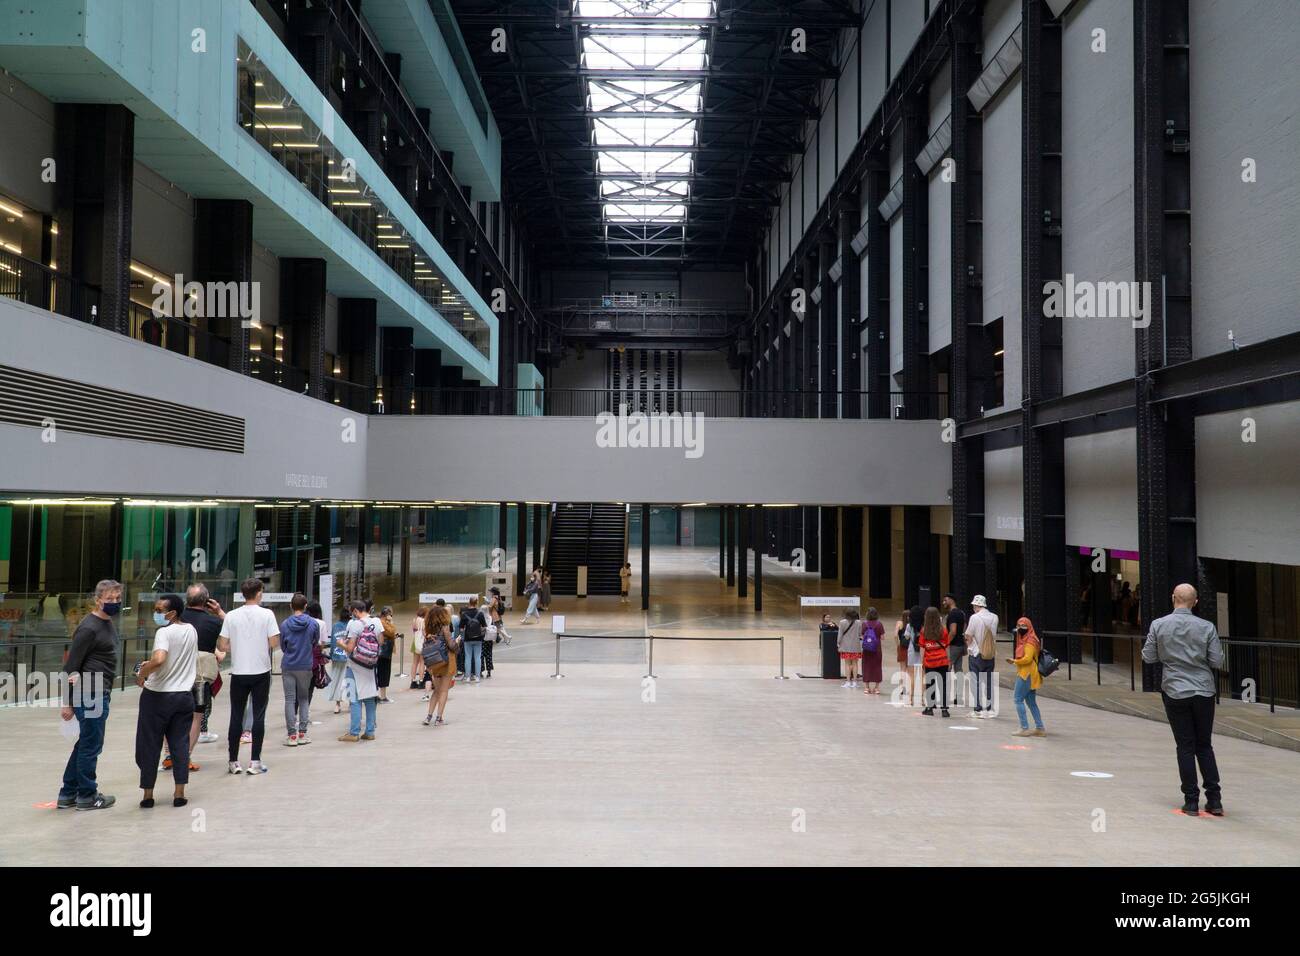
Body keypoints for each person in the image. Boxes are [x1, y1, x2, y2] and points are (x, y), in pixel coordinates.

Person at [1142, 584, 1223, 816]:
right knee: (1204, 744)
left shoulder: (1158, 625)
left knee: (1185, 746)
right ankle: (1214, 799)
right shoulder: (1207, 627)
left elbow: (1148, 657)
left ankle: (1190, 801)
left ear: (1173, 598)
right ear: (1195, 601)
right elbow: (1217, 661)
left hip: (1175, 689)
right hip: (1204, 691)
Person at [57, 579, 123, 811]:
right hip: (90, 692)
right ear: (97, 600)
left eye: (117, 598)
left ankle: (68, 793)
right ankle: (87, 795)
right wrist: (66, 702)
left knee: (85, 744)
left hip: (98, 691)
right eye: (110, 599)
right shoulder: (89, 627)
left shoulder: (107, 624)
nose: (114, 603)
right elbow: (70, 667)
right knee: (90, 746)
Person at [133, 594, 198, 808]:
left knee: (149, 744)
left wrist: (143, 672)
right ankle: (179, 793)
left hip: (157, 696)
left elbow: (160, 659)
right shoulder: (190, 630)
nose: (157, 613)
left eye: (160, 610)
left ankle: (148, 795)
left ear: (172, 613)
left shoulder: (164, 632)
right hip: (184, 695)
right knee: (179, 744)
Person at [218, 577, 280, 775]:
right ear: (259, 593)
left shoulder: (231, 616)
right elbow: (273, 643)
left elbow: (222, 645)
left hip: (239, 672)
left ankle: (233, 761)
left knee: (236, 715)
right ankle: (255, 762)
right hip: (261, 671)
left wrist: (237, 643)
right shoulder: (267, 614)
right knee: (259, 716)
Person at [181, 585, 224, 749]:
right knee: (196, 717)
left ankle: (169, 754)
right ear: (207, 601)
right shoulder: (214, 622)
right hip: (201, 678)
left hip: (176, 676)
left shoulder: (176, 619)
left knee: (172, 715)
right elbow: (226, 644)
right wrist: (219, 612)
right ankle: (186, 755)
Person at [279, 593, 320, 746]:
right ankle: (302, 733)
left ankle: (292, 736)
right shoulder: (313, 624)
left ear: (291, 606)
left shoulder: (284, 624)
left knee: (290, 699)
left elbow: (283, 646)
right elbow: (315, 642)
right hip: (305, 665)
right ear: (305, 607)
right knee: (303, 699)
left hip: (289, 665)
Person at [338, 600, 380, 742]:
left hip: (355, 665)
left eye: (352, 612)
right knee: (369, 698)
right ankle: (370, 731)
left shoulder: (355, 624)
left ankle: (354, 732)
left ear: (356, 611)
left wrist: (341, 644)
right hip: (370, 664)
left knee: (354, 699)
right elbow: (381, 642)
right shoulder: (377, 622)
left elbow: (350, 648)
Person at [1007, 617, 1046, 738]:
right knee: (1031, 702)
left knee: (1017, 699)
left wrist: (1014, 661)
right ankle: (1040, 728)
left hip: (1026, 674)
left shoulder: (1029, 641)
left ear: (1029, 627)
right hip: (1030, 673)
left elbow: (1027, 658)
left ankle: (1024, 728)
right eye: (1019, 626)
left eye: (1024, 626)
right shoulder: (1029, 638)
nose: (1021, 629)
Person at [422, 605, 457, 726]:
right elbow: (451, 645)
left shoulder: (428, 628)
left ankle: (428, 716)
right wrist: (457, 642)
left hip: (433, 661)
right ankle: (439, 718)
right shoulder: (445, 627)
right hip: (445, 660)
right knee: (444, 691)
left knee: (436, 690)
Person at [965, 594, 999, 718]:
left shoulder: (974, 618)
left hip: (977, 653)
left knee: (976, 681)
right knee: (989, 681)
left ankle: (978, 708)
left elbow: (968, 635)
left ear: (976, 605)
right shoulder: (995, 617)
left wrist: (969, 647)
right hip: (990, 654)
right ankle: (989, 708)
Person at [917, 606, 951, 717]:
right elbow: (946, 646)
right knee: (943, 685)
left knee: (930, 685)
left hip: (930, 661)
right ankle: (944, 710)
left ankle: (930, 708)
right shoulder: (944, 630)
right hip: (942, 661)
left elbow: (922, 647)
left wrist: (922, 661)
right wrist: (949, 660)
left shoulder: (924, 631)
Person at [941, 594, 967, 706]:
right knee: (959, 670)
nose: (943, 603)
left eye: (945, 600)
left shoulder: (952, 614)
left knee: (946, 669)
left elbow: (953, 631)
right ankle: (959, 696)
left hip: (953, 646)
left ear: (951, 600)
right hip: (961, 644)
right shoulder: (961, 613)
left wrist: (945, 643)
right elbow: (964, 626)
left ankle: (945, 696)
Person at [325, 610, 351, 714]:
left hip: (336, 657)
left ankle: (337, 704)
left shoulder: (335, 626)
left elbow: (332, 642)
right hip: (348, 657)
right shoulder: (351, 625)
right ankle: (350, 703)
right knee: (349, 680)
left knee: (336, 681)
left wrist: (331, 655)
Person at [459, 596, 487, 683]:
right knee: (477, 657)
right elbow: (484, 626)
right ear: (476, 603)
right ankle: (477, 677)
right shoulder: (480, 613)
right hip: (478, 638)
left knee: (468, 657)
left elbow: (461, 628)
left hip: (468, 638)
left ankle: (468, 677)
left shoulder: (464, 614)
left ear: (469, 602)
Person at [861, 607, 885, 695]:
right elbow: (882, 637)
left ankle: (867, 687)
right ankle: (877, 688)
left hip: (867, 649)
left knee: (866, 666)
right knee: (877, 667)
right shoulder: (879, 624)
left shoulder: (864, 624)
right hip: (877, 649)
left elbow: (862, 637)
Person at [837, 609, 863, 688]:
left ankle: (848, 681)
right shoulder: (859, 622)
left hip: (845, 646)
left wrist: (838, 643)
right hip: (856, 646)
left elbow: (840, 634)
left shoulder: (842, 622)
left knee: (847, 664)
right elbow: (860, 634)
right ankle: (855, 682)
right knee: (855, 664)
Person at [376, 606, 397, 702]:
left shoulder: (379, 621)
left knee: (381, 672)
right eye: (390, 614)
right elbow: (392, 632)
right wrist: (391, 623)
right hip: (384, 652)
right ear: (387, 614)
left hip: (381, 651)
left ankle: (380, 695)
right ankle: (383, 696)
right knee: (384, 672)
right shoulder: (383, 622)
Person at [894, 612, 915, 705]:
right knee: (909, 669)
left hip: (902, 647)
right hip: (910, 647)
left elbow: (895, 635)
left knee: (902, 669)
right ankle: (910, 687)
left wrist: (897, 644)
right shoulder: (912, 624)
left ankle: (903, 688)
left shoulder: (899, 623)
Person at [906, 605, 925, 706]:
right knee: (923, 677)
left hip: (912, 651)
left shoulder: (909, 626)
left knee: (911, 676)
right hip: (923, 651)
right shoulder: (924, 626)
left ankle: (911, 699)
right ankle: (922, 699)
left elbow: (906, 636)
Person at [409, 607, 428, 692]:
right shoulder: (423, 621)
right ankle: (421, 681)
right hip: (422, 642)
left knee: (414, 662)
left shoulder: (414, 620)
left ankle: (412, 681)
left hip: (415, 642)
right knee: (422, 662)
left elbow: (414, 631)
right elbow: (424, 633)